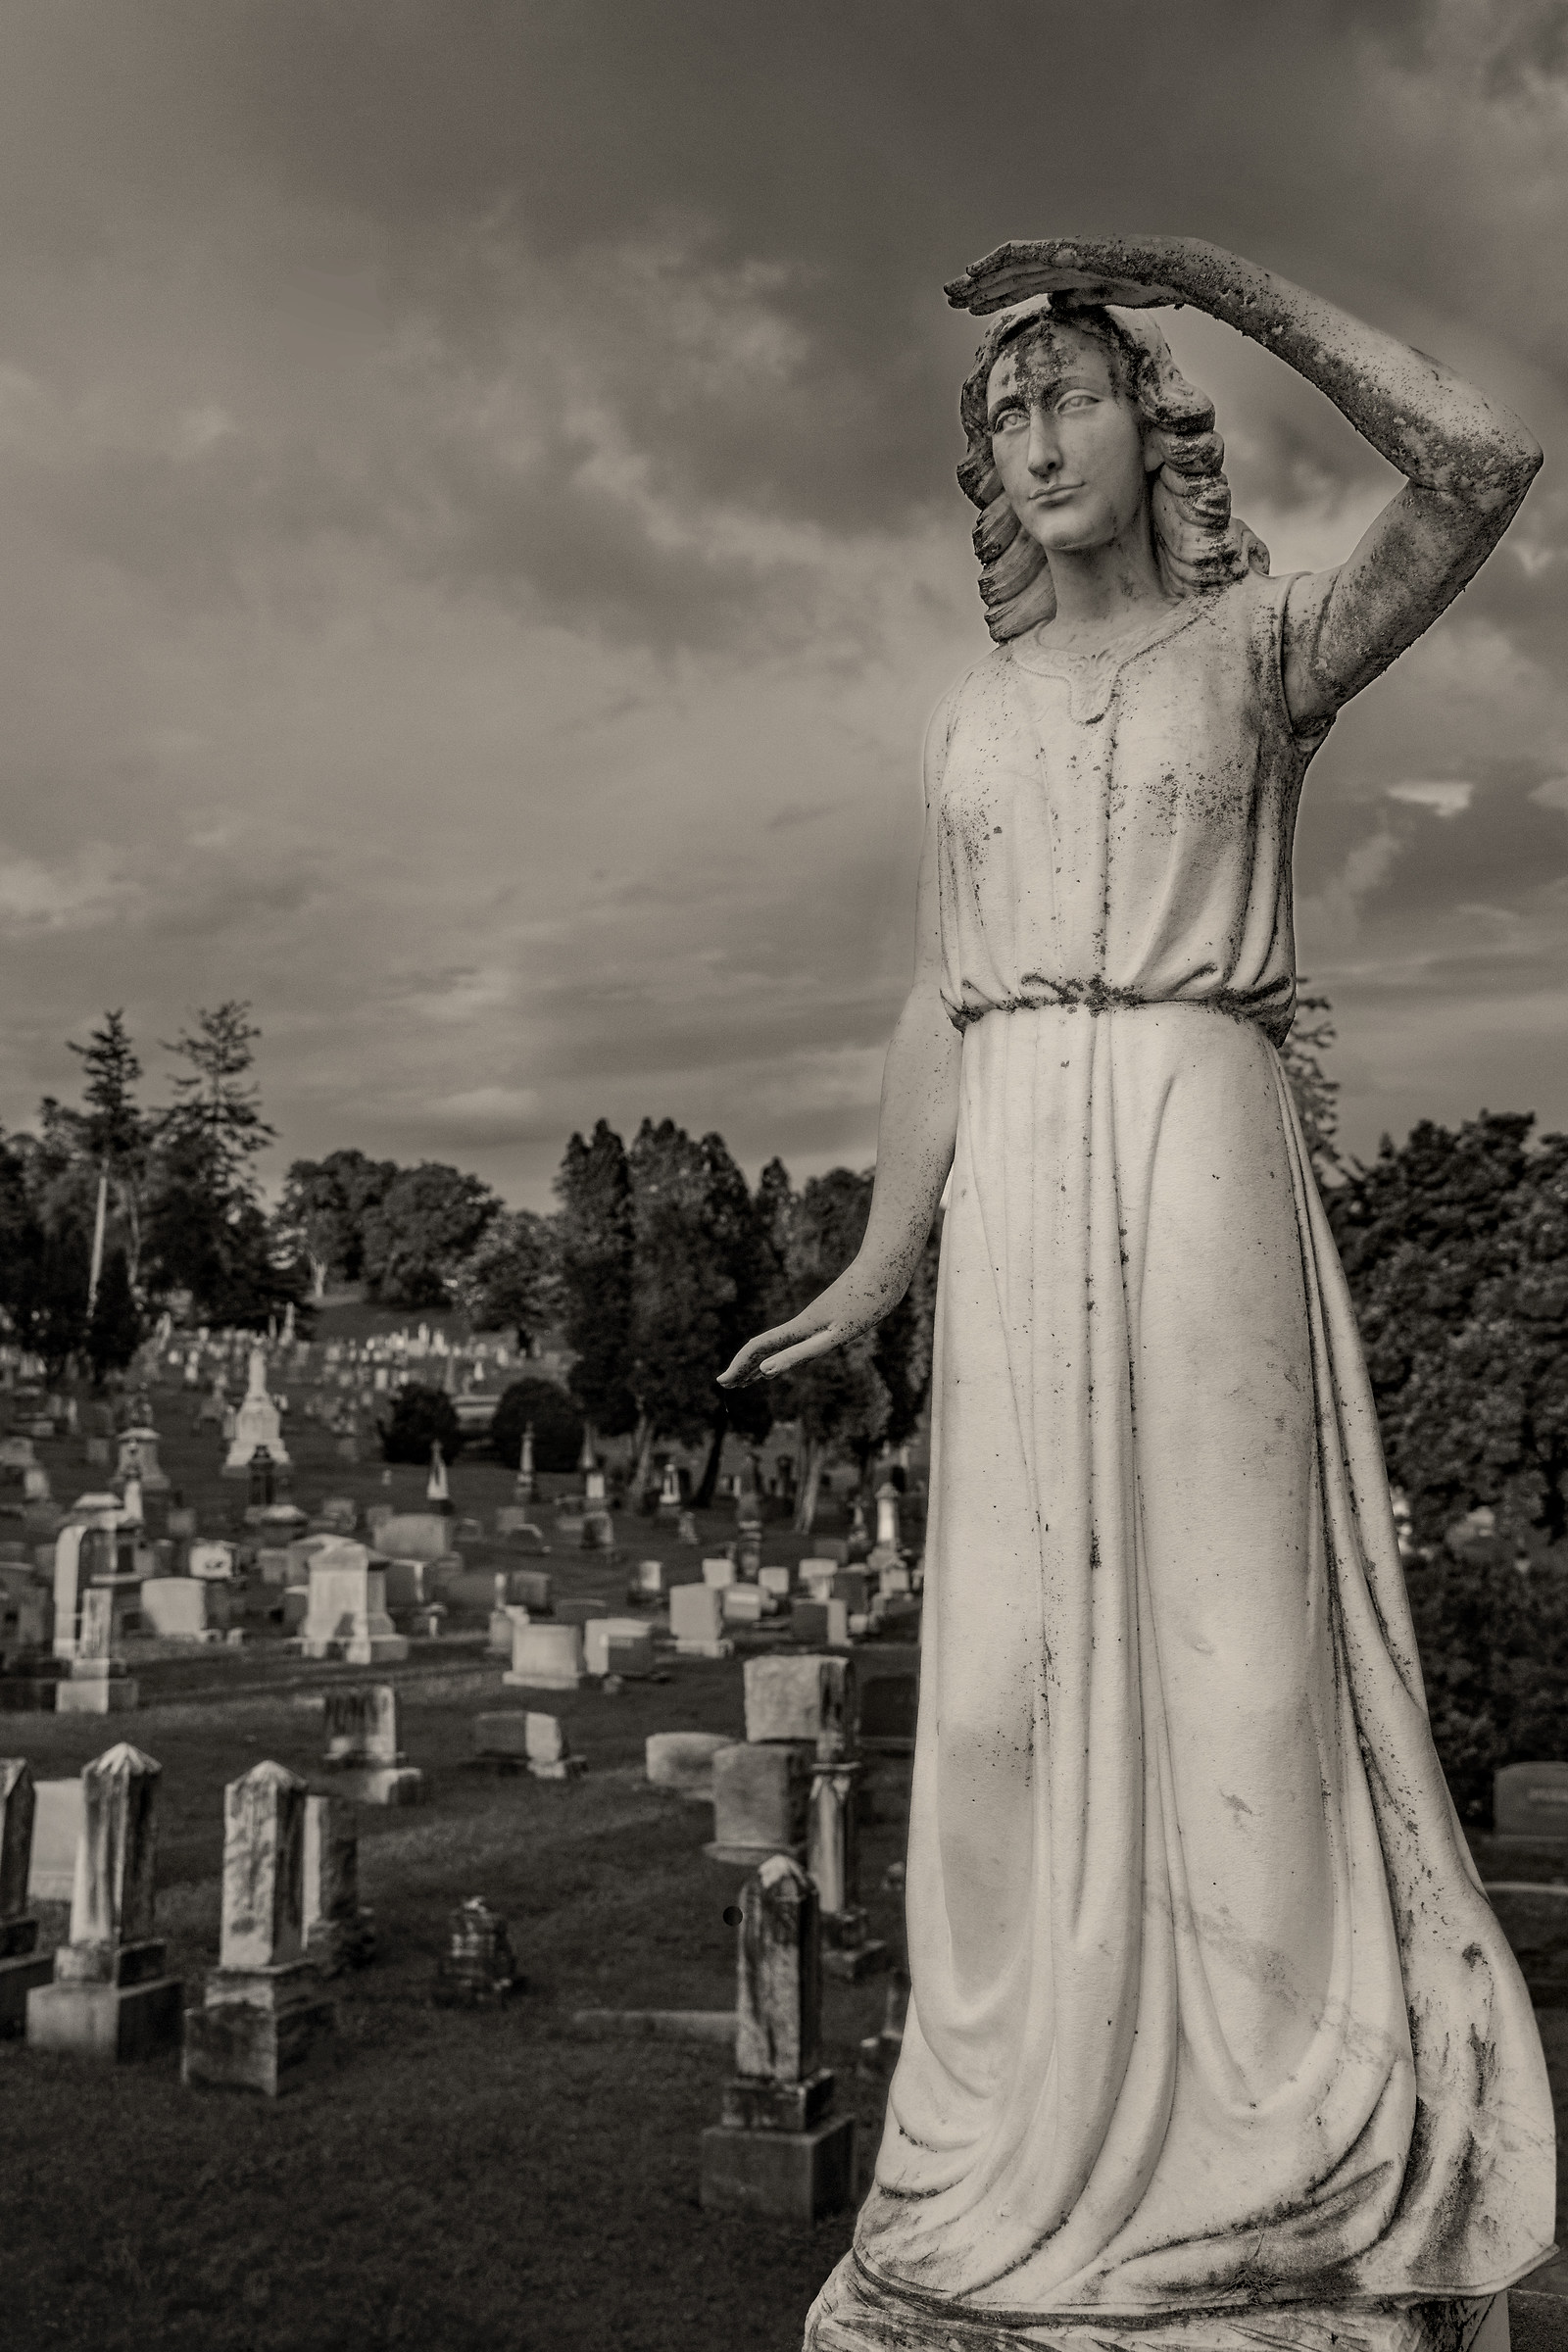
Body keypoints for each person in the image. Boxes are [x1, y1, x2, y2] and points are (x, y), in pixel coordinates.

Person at [719, 236, 1555, 2352]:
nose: (1032, 440)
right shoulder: (971, 717)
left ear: (1146, 419)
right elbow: (939, 993)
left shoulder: (1256, 648)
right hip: (1010, 1181)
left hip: (1193, 1153)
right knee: (998, 1690)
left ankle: (1271, 2160)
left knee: (1238, 1657)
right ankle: (1006, 2150)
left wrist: (1190, 273)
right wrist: (880, 1254)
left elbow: (1479, 458)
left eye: (1069, 393)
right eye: (999, 418)